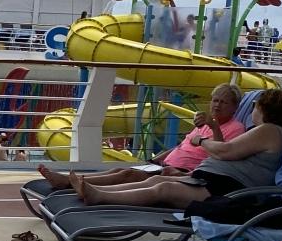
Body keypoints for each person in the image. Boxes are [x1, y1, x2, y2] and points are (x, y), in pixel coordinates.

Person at [71, 89, 282, 208]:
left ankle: (101, 196)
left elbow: (225, 151)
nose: (252, 110)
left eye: (255, 106)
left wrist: (202, 141)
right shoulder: (270, 131)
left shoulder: (269, 130)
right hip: (214, 181)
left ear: (265, 109)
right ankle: (98, 191)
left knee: (164, 189)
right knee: (156, 180)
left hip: (226, 190)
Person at [36, 83, 243, 195]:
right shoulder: (205, 123)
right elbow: (180, 147)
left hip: (184, 173)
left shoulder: (235, 128)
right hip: (166, 165)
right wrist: (154, 160)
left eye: (223, 102)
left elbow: (221, 155)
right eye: (215, 100)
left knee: (128, 174)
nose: (217, 105)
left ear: (234, 107)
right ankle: (73, 182)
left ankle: (82, 187)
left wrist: (214, 126)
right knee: (122, 170)